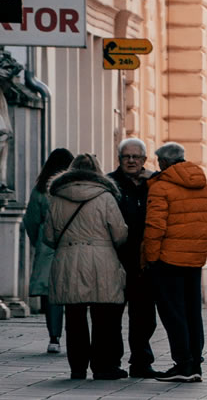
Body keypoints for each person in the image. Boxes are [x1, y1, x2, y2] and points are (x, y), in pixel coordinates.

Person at [43, 154, 129, 380]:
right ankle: (101, 367)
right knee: (103, 317)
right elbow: (119, 234)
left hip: (68, 260)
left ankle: (77, 368)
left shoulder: (57, 197)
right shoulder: (106, 196)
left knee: (74, 317)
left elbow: (48, 236)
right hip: (102, 261)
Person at [143, 142, 207, 383]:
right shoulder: (205, 187)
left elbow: (155, 227)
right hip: (194, 262)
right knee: (191, 313)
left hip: (167, 261)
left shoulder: (161, 187)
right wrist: (198, 250)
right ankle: (195, 363)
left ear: (164, 162)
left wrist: (152, 258)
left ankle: (183, 364)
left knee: (173, 314)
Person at [108, 138, 160, 377]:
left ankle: (141, 362)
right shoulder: (110, 184)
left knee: (144, 316)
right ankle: (111, 362)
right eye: (126, 157)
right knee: (112, 315)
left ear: (144, 160)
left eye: (136, 157)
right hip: (115, 259)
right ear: (119, 159)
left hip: (144, 261)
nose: (131, 161)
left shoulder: (153, 185)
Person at [21, 147, 73, 354]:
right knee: (72, 294)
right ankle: (75, 335)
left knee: (51, 295)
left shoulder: (41, 190)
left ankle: (54, 337)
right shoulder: (73, 190)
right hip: (71, 244)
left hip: (47, 246)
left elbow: (31, 220)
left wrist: (39, 242)